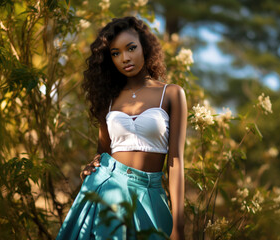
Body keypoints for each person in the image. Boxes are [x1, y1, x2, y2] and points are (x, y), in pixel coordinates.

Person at [56, 16, 187, 240]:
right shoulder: (108, 99)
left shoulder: (172, 94)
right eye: (115, 53)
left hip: (150, 193)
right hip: (107, 188)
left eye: (131, 48)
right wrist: (91, 166)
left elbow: (175, 161)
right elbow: (103, 151)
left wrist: (179, 226)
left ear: (144, 47)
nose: (125, 58)